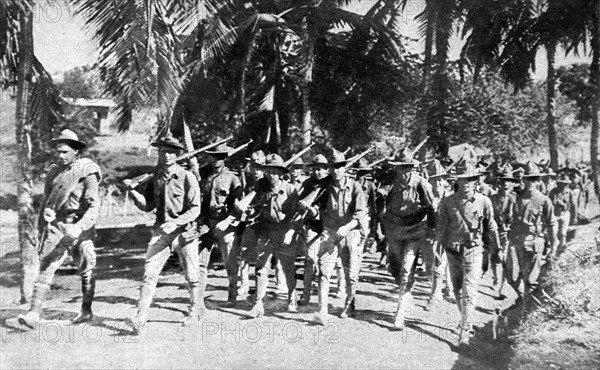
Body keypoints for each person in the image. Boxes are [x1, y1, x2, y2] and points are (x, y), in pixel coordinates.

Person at [17, 129, 101, 329]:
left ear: (76, 152)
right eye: (59, 152)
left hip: (80, 226)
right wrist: (41, 227)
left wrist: (80, 227)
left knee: (87, 267)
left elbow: (94, 205)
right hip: (57, 225)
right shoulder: (54, 171)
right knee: (47, 267)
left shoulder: (87, 170)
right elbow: (47, 202)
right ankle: (34, 313)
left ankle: (86, 310)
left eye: (65, 152)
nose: (61, 155)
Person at [125, 134, 202, 334]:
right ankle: (140, 317)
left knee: (192, 276)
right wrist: (133, 192)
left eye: (171, 152)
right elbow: (148, 206)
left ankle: (195, 311)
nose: (167, 155)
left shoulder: (187, 177)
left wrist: (176, 222)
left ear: (177, 154)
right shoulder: (156, 177)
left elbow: (195, 209)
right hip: (161, 233)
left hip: (184, 233)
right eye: (163, 151)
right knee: (148, 275)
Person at [436, 162, 500, 348]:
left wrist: (497, 249)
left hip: (473, 249)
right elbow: (441, 227)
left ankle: (464, 331)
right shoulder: (448, 201)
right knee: (457, 289)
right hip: (453, 250)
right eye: (463, 180)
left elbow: (491, 226)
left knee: (469, 291)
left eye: (470, 180)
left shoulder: (483, 201)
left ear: (475, 182)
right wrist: (438, 249)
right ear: (457, 181)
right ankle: (466, 319)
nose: (466, 184)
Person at [304, 150, 366, 324]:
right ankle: (322, 309)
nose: (336, 171)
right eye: (333, 167)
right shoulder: (324, 187)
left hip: (349, 232)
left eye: (339, 167)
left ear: (345, 168)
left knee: (350, 274)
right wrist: (311, 210)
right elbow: (317, 208)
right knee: (323, 271)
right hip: (329, 233)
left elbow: (359, 215)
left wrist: (346, 228)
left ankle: (349, 303)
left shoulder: (355, 187)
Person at [378, 149, 435, 330]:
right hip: (395, 230)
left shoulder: (421, 183)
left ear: (413, 168)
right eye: (401, 168)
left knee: (405, 268)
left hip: (415, 230)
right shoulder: (390, 182)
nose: (405, 172)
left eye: (408, 168)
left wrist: (432, 230)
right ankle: (407, 287)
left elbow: (432, 207)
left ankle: (400, 314)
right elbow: (380, 202)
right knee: (394, 266)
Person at [244, 154, 300, 317]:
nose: (271, 175)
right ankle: (258, 303)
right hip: (265, 231)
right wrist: (251, 212)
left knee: (287, 266)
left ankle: (291, 297)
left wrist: (290, 232)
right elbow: (255, 208)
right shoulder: (261, 188)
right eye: (268, 171)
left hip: (284, 231)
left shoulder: (290, 189)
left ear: (281, 173)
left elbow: (296, 215)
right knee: (261, 267)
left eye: (275, 172)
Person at [198, 143, 243, 307]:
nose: (216, 160)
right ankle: (198, 298)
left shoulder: (232, 177)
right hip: (204, 223)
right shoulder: (201, 174)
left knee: (230, 261)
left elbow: (238, 206)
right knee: (200, 262)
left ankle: (232, 295)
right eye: (213, 156)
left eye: (220, 157)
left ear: (225, 158)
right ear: (208, 157)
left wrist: (228, 221)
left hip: (225, 223)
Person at [510, 162, 557, 308]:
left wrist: (553, 245)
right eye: (528, 179)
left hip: (534, 241)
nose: (531, 182)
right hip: (517, 241)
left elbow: (551, 224)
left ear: (538, 181)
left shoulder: (544, 200)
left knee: (530, 280)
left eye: (534, 179)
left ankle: (527, 310)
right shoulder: (516, 197)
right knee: (516, 276)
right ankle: (523, 301)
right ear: (523, 180)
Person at [298, 154, 329, 306]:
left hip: (329, 226)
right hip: (313, 225)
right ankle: (306, 293)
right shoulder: (307, 183)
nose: (317, 172)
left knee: (329, 263)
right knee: (310, 259)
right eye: (315, 169)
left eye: (321, 169)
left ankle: (326, 299)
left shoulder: (332, 183)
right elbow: (301, 200)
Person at [424, 159, 453, 311]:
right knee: (429, 267)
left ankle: (434, 296)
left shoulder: (450, 198)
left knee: (439, 267)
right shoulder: (427, 196)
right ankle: (443, 288)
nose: (436, 182)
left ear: (444, 181)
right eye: (433, 179)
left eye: (439, 179)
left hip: (446, 237)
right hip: (429, 235)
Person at [489, 166, 518, 298]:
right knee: (495, 258)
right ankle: (496, 279)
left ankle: (504, 288)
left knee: (507, 260)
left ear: (512, 183)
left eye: (508, 181)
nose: (505, 184)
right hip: (495, 232)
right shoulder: (493, 198)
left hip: (510, 233)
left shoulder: (515, 199)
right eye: (502, 181)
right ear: (498, 183)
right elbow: (489, 216)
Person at [548, 173, 576, 257]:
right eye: (561, 184)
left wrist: (574, 218)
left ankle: (561, 251)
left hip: (565, 214)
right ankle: (552, 251)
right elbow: (550, 203)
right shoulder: (553, 191)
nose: (563, 186)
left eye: (565, 184)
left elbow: (573, 204)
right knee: (553, 234)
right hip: (555, 215)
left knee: (563, 234)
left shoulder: (569, 192)